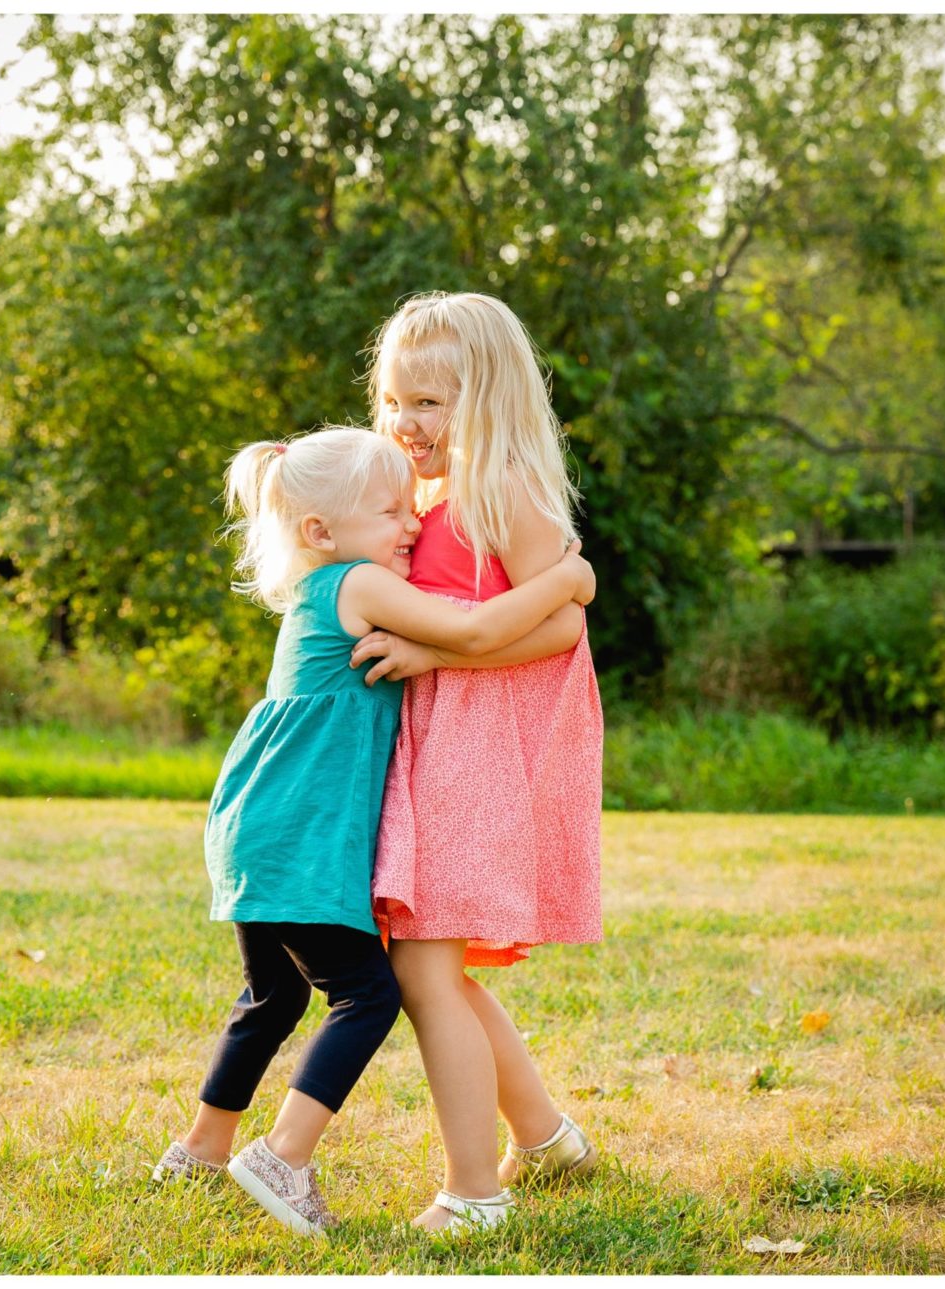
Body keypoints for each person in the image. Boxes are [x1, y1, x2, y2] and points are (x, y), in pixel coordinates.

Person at [153, 426, 594, 1238]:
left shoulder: (318, 592)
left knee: (275, 994)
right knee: (369, 991)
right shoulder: (357, 582)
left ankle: (200, 1147)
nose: (411, 525)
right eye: (390, 510)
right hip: (300, 839)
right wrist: (570, 575)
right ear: (322, 531)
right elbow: (470, 633)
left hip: (257, 831)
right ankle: (283, 1156)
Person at [349, 292, 606, 1234]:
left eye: (428, 402)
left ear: (487, 396)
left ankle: (474, 1192)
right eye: (393, 401)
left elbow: (566, 622)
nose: (405, 423)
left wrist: (440, 655)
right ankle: (544, 1137)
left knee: (424, 968)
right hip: (425, 748)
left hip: (476, 753)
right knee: (434, 967)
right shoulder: (417, 501)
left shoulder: (506, 496)